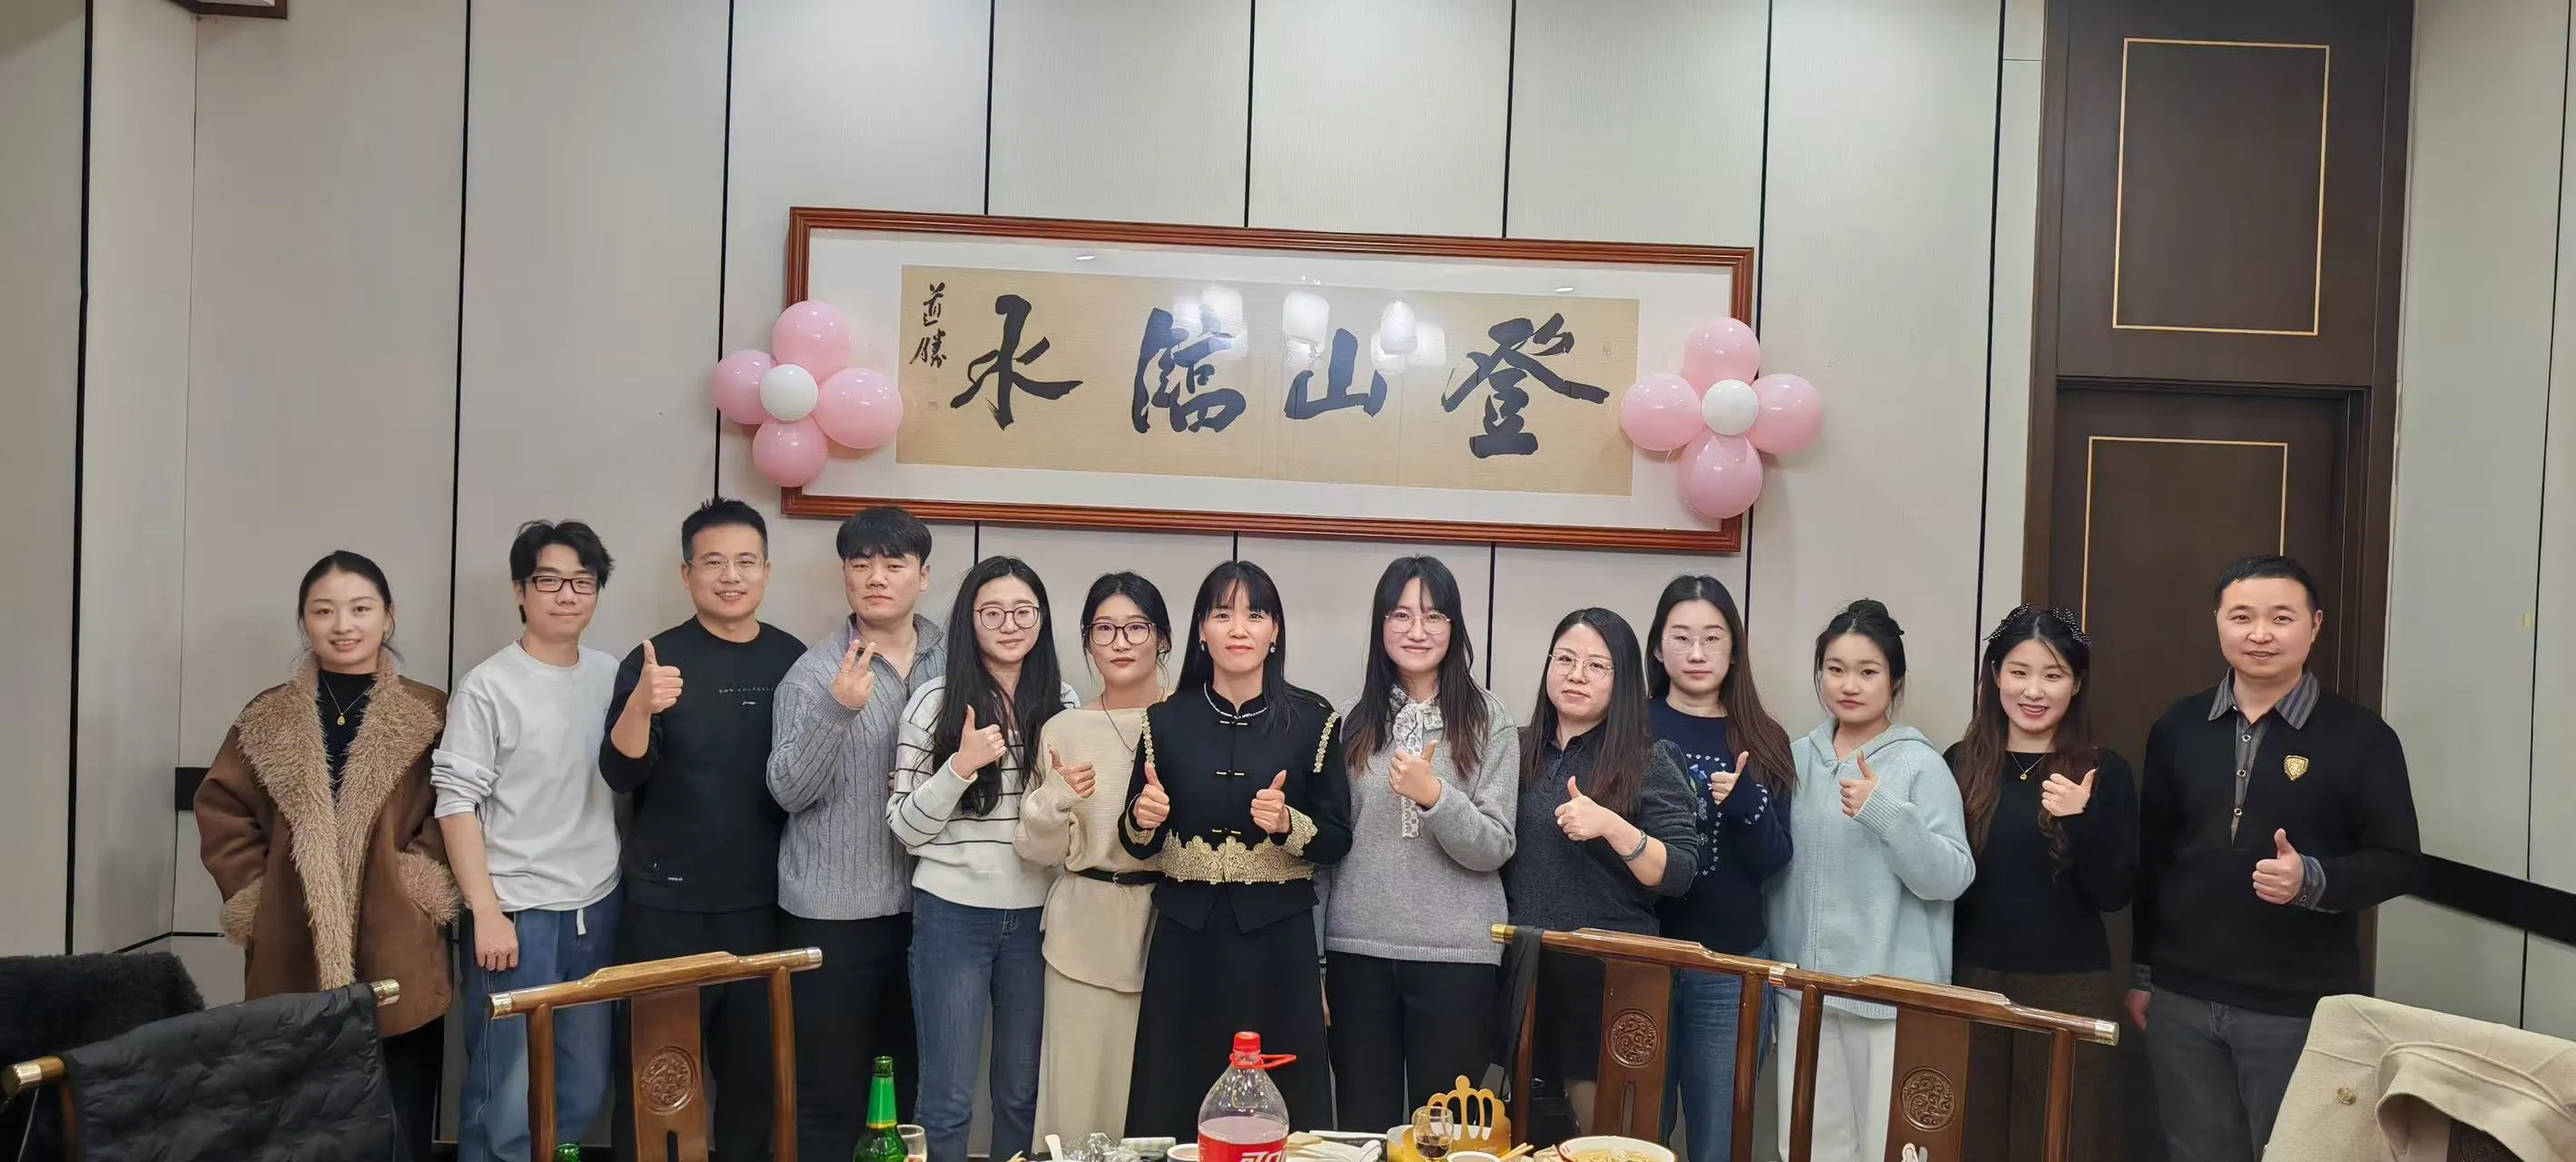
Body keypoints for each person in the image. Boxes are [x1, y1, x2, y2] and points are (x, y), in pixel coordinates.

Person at [2131, 556, 2422, 1162]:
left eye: (2280, 618)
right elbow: (2153, 858)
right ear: (2218, 623)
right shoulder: (2179, 726)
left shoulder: (2362, 738)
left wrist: (2311, 878)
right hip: (2182, 998)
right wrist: (2142, 974)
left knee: (2295, 1153)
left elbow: (2399, 861)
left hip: (2296, 1005)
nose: (2259, 633)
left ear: (2314, 625)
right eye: (2241, 617)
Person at [195, 550, 457, 1161]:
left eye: (360, 609)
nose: (343, 625)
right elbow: (223, 811)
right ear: (304, 621)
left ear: (388, 617)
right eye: (324, 611)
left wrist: (416, 885)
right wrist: (257, 896)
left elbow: (457, 807)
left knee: (398, 1113)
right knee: (294, 1117)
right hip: (292, 940)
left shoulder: (429, 712)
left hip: (395, 939)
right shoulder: (266, 715)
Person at [601, 498, 806, 1162]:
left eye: (746, 561)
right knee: (658, 1080)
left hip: (764, 906)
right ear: (686, 573)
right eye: (713, 562)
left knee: (755, 1083)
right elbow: (620, 773)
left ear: (767, 570)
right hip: (667, 907)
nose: (730, 576)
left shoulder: (792, 659)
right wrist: (640, 706)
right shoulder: (655, 659)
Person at [1120, 561, 1354, 1137]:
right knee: (1176, 1092)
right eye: (1222, 614)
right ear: (1202, 630)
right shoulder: (1165, 720)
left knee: (1280, 1101)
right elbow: (1136, 841)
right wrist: (1143, 819)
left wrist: (1288, 823)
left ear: (1275, 631)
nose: (1239, 628)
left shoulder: (1314, 719)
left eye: (1255, 615)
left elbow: (1337, 839)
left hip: (1277, 944)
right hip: (1185, 938)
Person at [436, 521, 626, 1162]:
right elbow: (455, 804)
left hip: (596, 908)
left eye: (582, 582)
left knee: (582, 1085)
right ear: (520, 591)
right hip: (517, 916)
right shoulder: (488, 685)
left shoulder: (610, 674)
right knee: (505, 1093)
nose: (566, 595)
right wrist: (486, 913)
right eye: (548, 581)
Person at [1764, 599, 1973, 1162]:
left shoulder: (1920, 765)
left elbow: (1951, 876)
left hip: (1889, 999)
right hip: (1805, 994)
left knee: (1891, 1148)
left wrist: (1886, 814)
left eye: (1867, 671)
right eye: (1835, 669)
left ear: (1895, 681)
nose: (1849, 685)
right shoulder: (1794, 758)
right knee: (1808, 1146)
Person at [887, 556, 1079, 1162]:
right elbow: (905, 829)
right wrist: (960, 767)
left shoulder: (1064, 703)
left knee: (1022, 1096)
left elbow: (1071, 826)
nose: (1009, 625)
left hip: (1038, 920)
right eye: (991, 612)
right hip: (951, 916)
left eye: (1023, 611)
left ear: (1042, 620)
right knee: (946, 1100)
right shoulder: (934, 702)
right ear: (969, 621)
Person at [767, 506, 943, 1159]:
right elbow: (789, 791)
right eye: (861, 564)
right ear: (844, 575)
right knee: (829, 1092)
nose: (876, 577)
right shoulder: (814, 673)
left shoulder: (955, 658)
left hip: (929, 910)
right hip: (832, 916)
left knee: (910, 1087)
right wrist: (837, 710)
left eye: (894, 564)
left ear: (923, 575)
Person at [1323, 556, 1520, 1132]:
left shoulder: (1488, 719)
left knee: (1447, 1135)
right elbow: (1326, 854)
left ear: (1454, 626)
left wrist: (1435, 796)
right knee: (1362, 1128)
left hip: (1458, 956)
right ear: (1380, 625)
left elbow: (1496, 845)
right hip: (1357, 952)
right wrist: (1317, 963)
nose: (1417, 630)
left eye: (1434, 616)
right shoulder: (1349, 723)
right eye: (1401, 615)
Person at [1501, 608, 1700, 1145]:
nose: (1576, 675)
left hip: (1610, 977)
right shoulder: (1513, 750)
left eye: (1596, 665)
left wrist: (1611, 825)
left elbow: (1679, 872)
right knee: (1529, 1137)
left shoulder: (1648, 759)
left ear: (1624, 680)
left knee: (1607, 1140)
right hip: (1528, 969)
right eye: (1565, 659)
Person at [1946, 606, 2136, 1162]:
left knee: (2059, 1141)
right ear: (1994, 676)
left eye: (2053, 675)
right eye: (2019, 672)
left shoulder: (2104, 770)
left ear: (2075, 684)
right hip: (1973, 977)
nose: (2034, 691)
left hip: (2069, 985)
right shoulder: (1961, 763)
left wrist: (2082, 819)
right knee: (1973, 1138)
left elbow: (2115, 893)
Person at [1017, 572, 1174, 1142]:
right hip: (1082, 929)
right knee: (1077, 1100)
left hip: (1172, 929)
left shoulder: (1189, 722)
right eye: (1104, 629)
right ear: (1087, 640)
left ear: (1162, 637)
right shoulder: (1064, 729)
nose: (1120, 642)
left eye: (1136, 627)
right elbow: (1039, 852)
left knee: (1159, 1105)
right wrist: (1053, 801)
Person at [1643, 576, 1794, 1162]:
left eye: (1712, 638)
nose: (1697, 653)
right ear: (1658, 648)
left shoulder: (1762, 737)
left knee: (1720, 1140)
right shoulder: (1629, 726)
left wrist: (1746, 804)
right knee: (1634, 1133)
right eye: (1681, 637)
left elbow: (1774, 861)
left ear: (1734, 650)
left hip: (1730, 966)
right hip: (1641, 959)